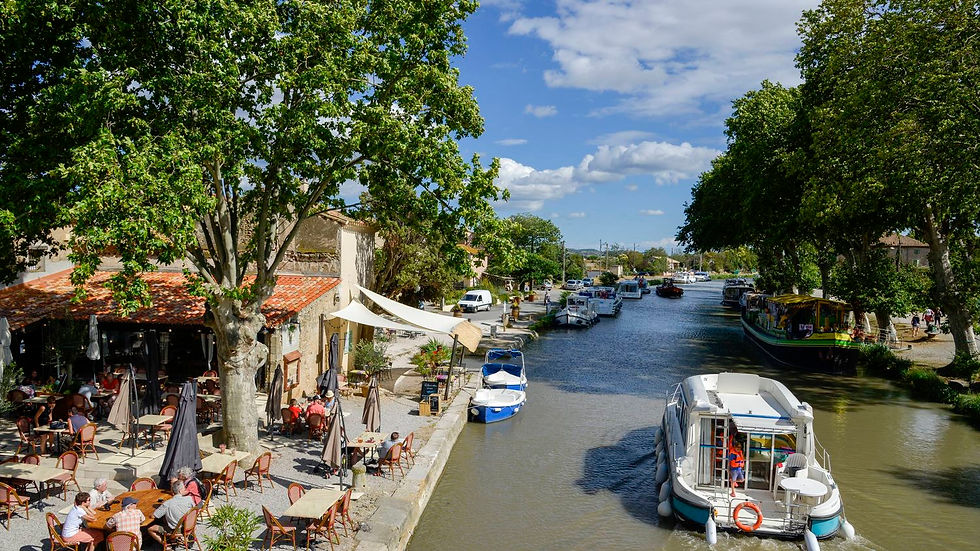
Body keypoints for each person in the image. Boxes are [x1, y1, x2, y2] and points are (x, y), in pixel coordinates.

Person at [148, 480, 194, 545]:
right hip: (189, 526)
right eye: (184, 488)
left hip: (176, 530)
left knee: (150, 529)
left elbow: (153, 516)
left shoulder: (167, 504)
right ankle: (178, 539)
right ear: (180, 491)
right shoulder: (189, 499)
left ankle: (165, 545)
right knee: (167, 517)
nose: (186, 489)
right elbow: (194, 510)